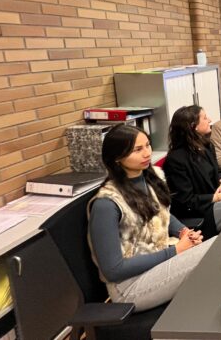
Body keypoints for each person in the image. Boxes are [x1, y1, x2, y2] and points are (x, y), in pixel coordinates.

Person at [88, 124, 214, 312]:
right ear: (117, 157)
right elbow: (113, 270)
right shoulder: (106, 204)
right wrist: (176, 251)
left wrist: (184, 232)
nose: (147, 153)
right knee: (213, 250)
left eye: (147, 145)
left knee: (218, 248)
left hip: (158, 262)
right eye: (137, 150)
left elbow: (163, 214)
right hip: (129, 287)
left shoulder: (151, 179)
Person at [163, 105, 221, 239]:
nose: (210, 120)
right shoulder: (175, 160)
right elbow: (186, 201)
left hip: (217, 200)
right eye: (205, 118)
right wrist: (218, 197)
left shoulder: (207, 146)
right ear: (193, 126)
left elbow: (218, 170)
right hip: (201, 211)